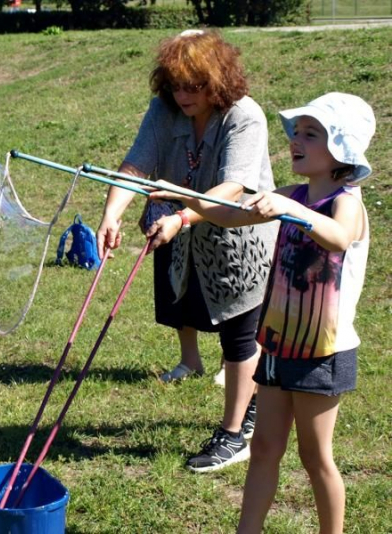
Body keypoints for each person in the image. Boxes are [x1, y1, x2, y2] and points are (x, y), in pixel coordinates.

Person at [150, 92, 374, 534]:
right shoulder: (293, 193)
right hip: (275, 345)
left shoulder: (345, 201)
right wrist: (186, 197)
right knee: (267, 446)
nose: (296, 141)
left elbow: (339, 237)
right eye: (297, 133)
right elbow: (230, 216)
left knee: (314, 457)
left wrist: (292, 209)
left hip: (321, 352)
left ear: (341, 151)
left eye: (312, 134)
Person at [97, 30, 277, 472]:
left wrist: (181, 216)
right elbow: (137, 164)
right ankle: (245, 401)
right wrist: (112, 213)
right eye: (176, 85)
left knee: (239, 339)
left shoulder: (244, 116)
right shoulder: (164, 110)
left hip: (240, 240)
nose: (183, 95)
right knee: (191, 312)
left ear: (218, 80)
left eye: (194, 86)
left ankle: (234, 436)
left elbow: (233, 188)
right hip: (184, 237)